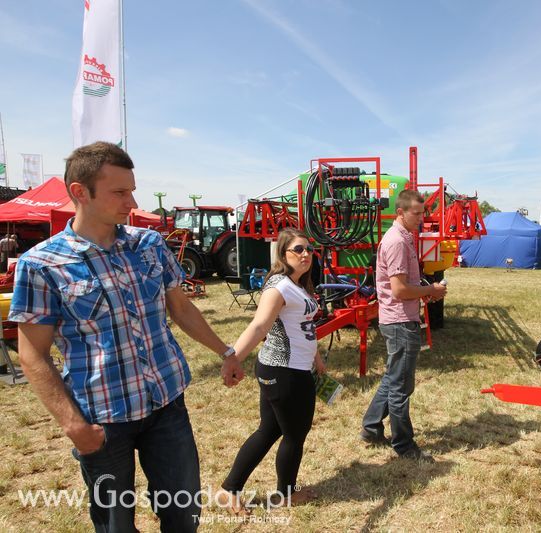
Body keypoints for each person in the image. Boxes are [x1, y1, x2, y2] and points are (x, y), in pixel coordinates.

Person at [10, 142, 245, 532]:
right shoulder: (42, 264)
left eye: (132, 189)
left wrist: (226, 350)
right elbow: (32, 353)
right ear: (79, 192)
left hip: (166, 405)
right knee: (116, 524)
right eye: (119, 192)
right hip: (102, 420)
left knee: (183, 516)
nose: (131, 201)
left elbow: (181, 308)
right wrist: (73, 426)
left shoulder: (148, 245)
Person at [218, 228, 326, 513]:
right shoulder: (279, 286)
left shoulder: (298, 284)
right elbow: (258, 326)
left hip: (292, 368)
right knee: (294, 434)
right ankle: (285, 494)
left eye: (308, 250)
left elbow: (303, 327)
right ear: (283, 254)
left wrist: (316, 358)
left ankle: (231, 489)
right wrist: (233, 358)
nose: (306, 255)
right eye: (298, 250)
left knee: (269, 430)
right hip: (285, 372)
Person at [360, 189, 447, 462]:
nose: (421, 218)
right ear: (400, 212)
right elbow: (398, 290)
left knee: (393, 378)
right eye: (416, 213)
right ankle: (404, 446)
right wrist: (430, 289)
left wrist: (425, 290)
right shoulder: (397, 241)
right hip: (399, 320)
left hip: (399, 318)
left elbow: (404, 284)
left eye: (423, 213)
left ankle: (371, 428)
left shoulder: (404, 236)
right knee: (401, 386)